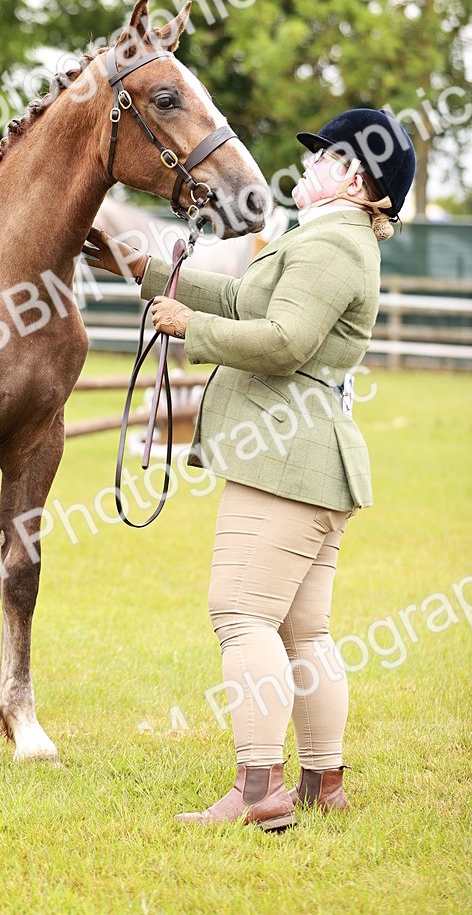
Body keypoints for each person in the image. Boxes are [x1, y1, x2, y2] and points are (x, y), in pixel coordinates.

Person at [84, 108, 416, 831]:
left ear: (357, 182)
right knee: (304, 632)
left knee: (241, 614)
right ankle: (322, 784)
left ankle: (258, 788)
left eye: (326, 156)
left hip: (285, 463)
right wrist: (143, 270)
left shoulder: (332, 243)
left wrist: (188, 327)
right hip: (307, 462)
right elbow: (245, 300)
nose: (311, 163)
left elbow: (285, 340)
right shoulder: (327, 237)